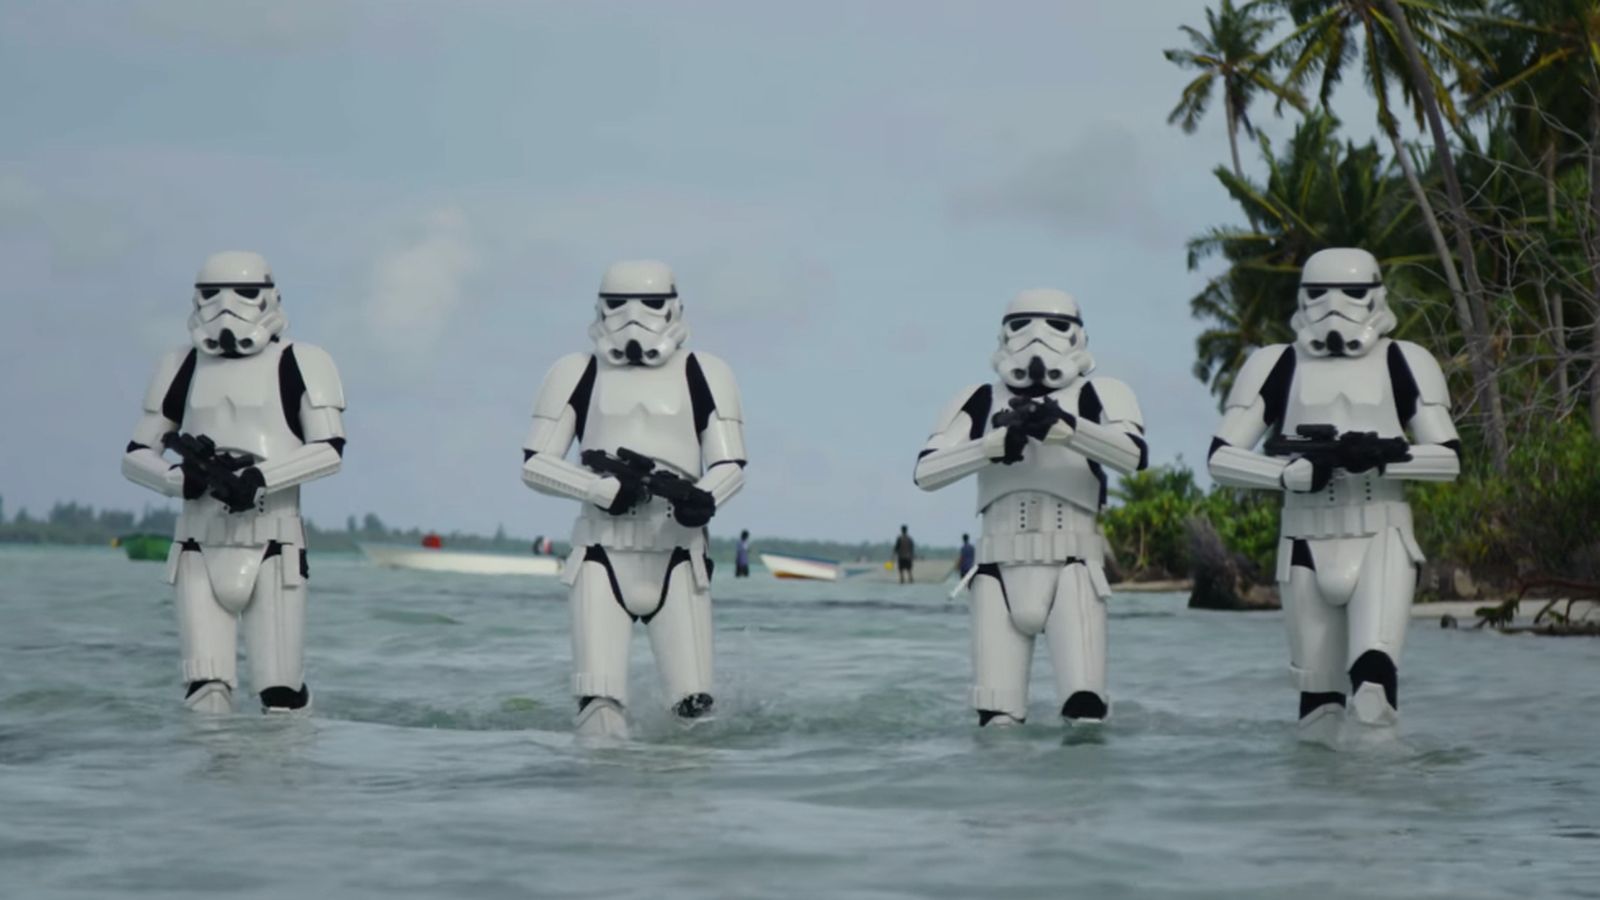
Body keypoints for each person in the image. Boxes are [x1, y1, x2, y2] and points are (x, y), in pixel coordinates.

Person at [1207, 248, 1460, 741]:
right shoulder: (1276, 364)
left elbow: (1448, 458)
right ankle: (1320, 792)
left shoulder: (1404, 361)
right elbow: (1221, 457)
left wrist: (1381, 458)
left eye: (1351, 292)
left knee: (1374, 684)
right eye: (1319, 293)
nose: (1334, 306)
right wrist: (1286, 476)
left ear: (1375, 296)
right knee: (1317, 704)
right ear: (1302, 297)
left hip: (1381, 533)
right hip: (1304, 540)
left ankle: (1380, 787)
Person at [521, 260, 747, 739]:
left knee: (695, 712)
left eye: (650, 303)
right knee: (597, 704)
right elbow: (536, 463)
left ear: (673, 307)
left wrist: (702, 498)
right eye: (618, 303)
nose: (633, 316)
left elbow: (730, 463)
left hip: (678, 553)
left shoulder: (705, 372)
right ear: (601, 307)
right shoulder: (576, 372)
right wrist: (599, 488)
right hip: (601, 553)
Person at [122, 251, 346, 714]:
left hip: (273, 544)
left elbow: (328, 450)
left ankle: (291, 762)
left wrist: (260, 478)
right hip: (198, 544)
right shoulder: (180, 364)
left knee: (281, 695)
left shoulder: (302, 361)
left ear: (269, 297)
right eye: (212, 294)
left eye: (243, 293)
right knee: (205, 693)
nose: (227, 306)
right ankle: (209, 765)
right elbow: (136, 454)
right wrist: (176, 480)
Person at [915, 289, 1147, 727]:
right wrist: (988, 448)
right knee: (996, 718)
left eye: (1055, 326)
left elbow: (1133, 455)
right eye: (1022, 326)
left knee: (1085, 712)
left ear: (1077, 336)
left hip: (1073, 570)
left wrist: (1068, 431)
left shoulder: (1101, 393)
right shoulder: (979, 399)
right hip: (997, 572)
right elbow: (926, 472)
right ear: (1004, 335)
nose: (1036, 339)